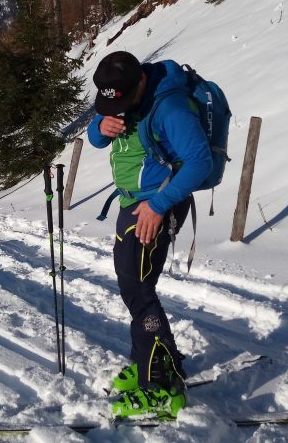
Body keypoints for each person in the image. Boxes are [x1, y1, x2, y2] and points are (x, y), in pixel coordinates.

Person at [87, 51, 213, 420]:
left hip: (157, 206)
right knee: (134, 287)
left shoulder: (170, 107)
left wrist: (159, 206)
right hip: (134, 204)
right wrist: (100, 128)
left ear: (140, 81)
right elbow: (96, 138)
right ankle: (150, 360)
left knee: (139, 291)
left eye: (125, 100)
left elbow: (200, 162)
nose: (120, 107)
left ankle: (161, 384)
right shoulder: (125, 94)